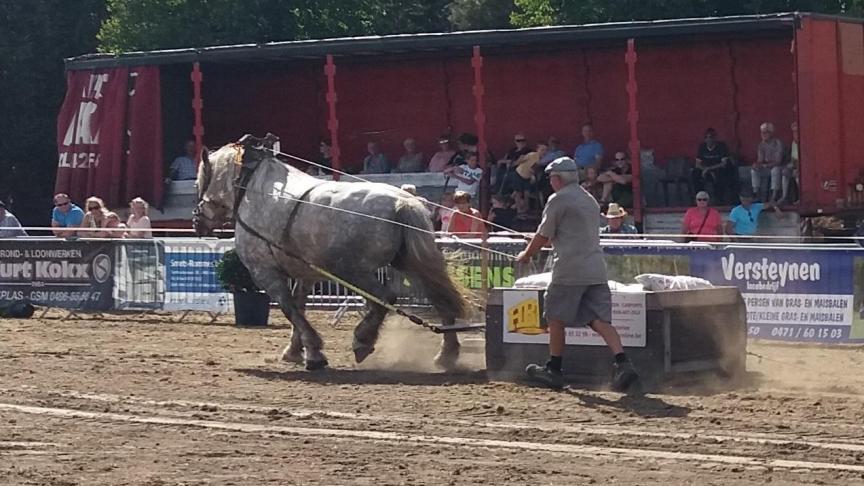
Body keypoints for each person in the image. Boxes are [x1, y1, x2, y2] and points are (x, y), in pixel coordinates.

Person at [516, 157, 639, 391]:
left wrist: (526, 253)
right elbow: (568, 233)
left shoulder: (558, 200)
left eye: (551, 177)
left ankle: (554, 369)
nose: (550, 182)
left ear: (558, 178)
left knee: (555, 318)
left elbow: (543, 236)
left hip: (569, 270)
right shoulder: (589, 199)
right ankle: (623, 363)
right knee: (599, 320)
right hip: (595, 269)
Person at [692, 128, 736, 204]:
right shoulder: (702, 147)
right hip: (705, 170)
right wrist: (706, 170)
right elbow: (697, 164)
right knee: (695, 173)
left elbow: (724, 163)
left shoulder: (721, 146)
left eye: (711, 137)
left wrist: (709, 169)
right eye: (706, 137)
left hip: (718, 169)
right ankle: (698, 198)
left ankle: (719, 200)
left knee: (722, 174)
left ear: (715, 138)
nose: (708, 139)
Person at [752, 122, 785, 203]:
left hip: (779, 166)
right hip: (766, 167)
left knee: (775, 170)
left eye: (765, 132)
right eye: (762, 132)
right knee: (754, 171)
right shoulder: (761, 145)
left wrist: (765, 165)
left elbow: (778, 161)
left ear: (771, 133)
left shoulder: (778, 143)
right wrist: (756, 165)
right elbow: (760, 160)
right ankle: (756, 194)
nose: (763, 134)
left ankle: (774, 196)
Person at [781, 121, 800, 204]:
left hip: (802, 168)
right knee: (785, 172)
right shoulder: (793, 143)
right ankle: (784, 196)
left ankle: (801, 197)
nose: (795, 134)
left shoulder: (803, 142)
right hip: (795, 165)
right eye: (794, 132)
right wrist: (791, 164)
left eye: (796, 132)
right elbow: (793, 157)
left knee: (797, 175)